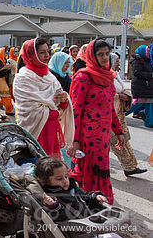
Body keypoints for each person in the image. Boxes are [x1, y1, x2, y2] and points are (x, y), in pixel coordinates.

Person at [67, 39, 125, 203]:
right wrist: (74, 140)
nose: (105, 57)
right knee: (91, 171)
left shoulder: (108, 77)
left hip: (104, 136)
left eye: (107, 54)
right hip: (88, 136)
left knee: (101, 170)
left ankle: (98, 204)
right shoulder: (83, 77)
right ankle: (93, 204)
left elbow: (110, 109)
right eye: (100, 54)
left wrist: (119, 132)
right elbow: (75, 111)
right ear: (92, 56)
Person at [13, 38, 74, 159]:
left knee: (51, 170)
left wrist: (64, 100)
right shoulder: (23, 78)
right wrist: (56, 111)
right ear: (32, 55)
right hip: (35, 131)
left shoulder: (49, 76)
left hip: (51, 130)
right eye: (42, 52)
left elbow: (61, 102)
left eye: (48, 51)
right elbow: (29, 110)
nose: (47, 55)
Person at [29, 156, 108, 222]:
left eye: (66, 176)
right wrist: (53, 206)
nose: (65, 181)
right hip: (76, 229)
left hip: (89, 222)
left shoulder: (72, 188)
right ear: (45, 181)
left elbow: (86, 197)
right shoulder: (50, 197)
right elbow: (60, 218)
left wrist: (95, 197)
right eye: (59, 179)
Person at [109, 53, 147, 176]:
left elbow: (121, 88)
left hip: (118, 113)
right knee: (116, 142)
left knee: (124, 139)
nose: (119, 64)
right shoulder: (105, 77)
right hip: (109, 115)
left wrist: (125, 95)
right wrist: (119, 96)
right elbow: (104, 96)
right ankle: (128, 166)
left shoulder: (115, 75)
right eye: (117, 61)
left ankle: (131, 165)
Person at [126, 45, 153, 127]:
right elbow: (137, 73)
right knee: (138, 103)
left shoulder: (146, 59)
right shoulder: (137, 60)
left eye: (149, 51)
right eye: (147, 51)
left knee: (149, 104)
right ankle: (120, 114)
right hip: (140, 86)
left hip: (146, 87)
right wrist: (151, 75)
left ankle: (150, 122)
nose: (148, 52)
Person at [0, 47, 15, 115]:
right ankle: (8, 110)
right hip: (0, 80)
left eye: (7, 52)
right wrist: (5, 68)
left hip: (5, 79)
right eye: (5, 52)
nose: (7, 54)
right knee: (6, 95)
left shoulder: (4, 60)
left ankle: (1, 103)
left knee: (5, 95)